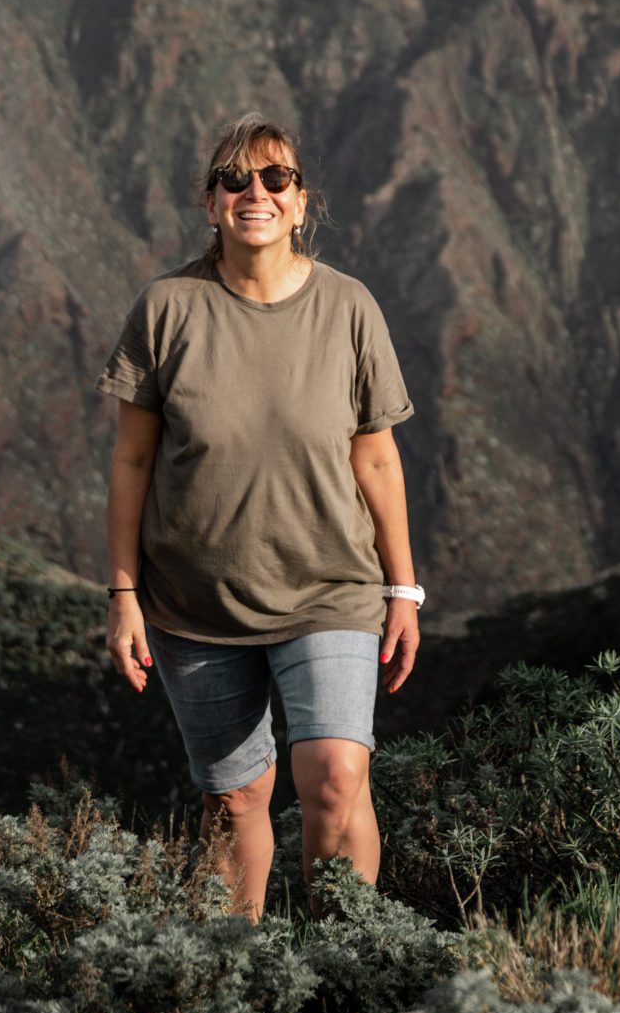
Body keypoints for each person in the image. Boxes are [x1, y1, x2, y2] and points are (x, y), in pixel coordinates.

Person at [96, 113, 422, 918]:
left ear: (302, 202)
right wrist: (123, 594)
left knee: (337, 779)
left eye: (275, 178)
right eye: (234, 180)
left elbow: (375, 458)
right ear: (208, 203)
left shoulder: (349, 309)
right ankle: (234, 983)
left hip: (329, 589)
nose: (255, 193)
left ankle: (342, 965)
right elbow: (132, 460)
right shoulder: (166, 309)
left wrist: (403, 591)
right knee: (233, 803)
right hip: (192, 604)